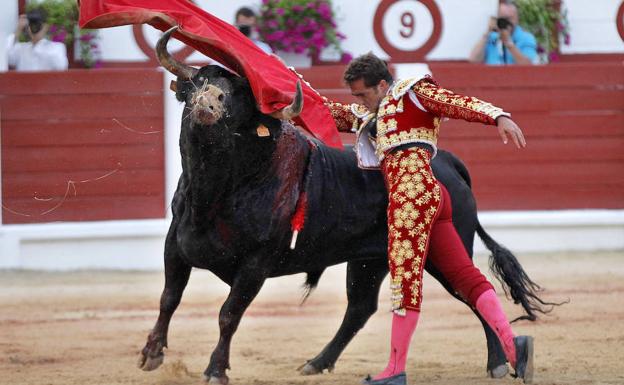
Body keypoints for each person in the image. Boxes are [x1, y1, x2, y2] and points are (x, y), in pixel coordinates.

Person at [325, 53, 533, 385]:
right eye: (356, 97)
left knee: (405, 280)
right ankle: (513, 346)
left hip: (411, 196)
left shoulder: (412, 92)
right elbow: (329, 113)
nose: (360, 102)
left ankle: (395, 370)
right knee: (464, 275)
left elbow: (455, 103)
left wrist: (498, 116)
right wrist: (279, 101)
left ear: (382, 84)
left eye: (363, 94)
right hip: (434, 195)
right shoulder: (370, 113)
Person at [468, 1, 537, 65]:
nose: (505, 22)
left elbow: (528, 64)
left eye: (509, 18)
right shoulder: (492, 37)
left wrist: (509, 44)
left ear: (517, 19)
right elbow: (473, 60)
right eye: (502, 19)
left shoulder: (526, 38)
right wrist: (487, 33)